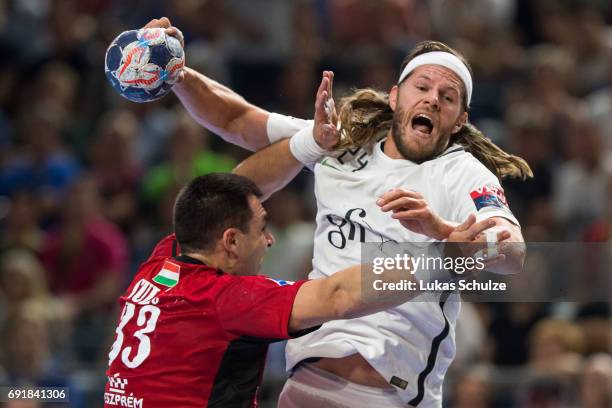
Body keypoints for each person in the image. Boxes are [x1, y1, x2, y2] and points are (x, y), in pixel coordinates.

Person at [143, 17, 529, 407]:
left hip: (389, 392)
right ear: (395, 97)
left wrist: (444, 229)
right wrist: (176, 71)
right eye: (423, 87)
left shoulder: (462, 173)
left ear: (460, 120)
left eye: (448, 97)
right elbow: (236, 120)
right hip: (306, 383)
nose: (432, 99)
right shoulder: (339, 141)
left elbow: (512, 252)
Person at [103, 172, 499, 408]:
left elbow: (208, 198)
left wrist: (307, 144)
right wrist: (442, 255)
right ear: (230, 241)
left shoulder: (159, 264)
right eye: (261, 228)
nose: (269, 240)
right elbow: (337, 295)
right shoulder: (227, 301)